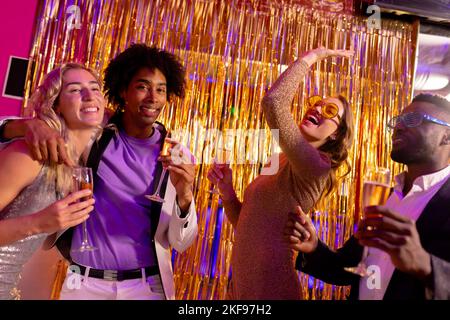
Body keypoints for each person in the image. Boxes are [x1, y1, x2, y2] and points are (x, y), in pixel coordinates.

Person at [0, 44, 198, 300]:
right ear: (122, 91)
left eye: (161, 89)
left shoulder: (177, 156)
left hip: (146, 288)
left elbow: (182, 242)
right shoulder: (94, 133)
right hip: (83, 285)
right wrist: (26, 125)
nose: (153, 97)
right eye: (142, 86)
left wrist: (185, 196)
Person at [207, 47, 354, 299]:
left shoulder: (317, 165)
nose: (317, 109)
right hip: (242, 289)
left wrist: (314, 56)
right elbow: (248, 223)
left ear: (336, 134)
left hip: (274, 290)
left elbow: (273, 102)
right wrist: (227, 191)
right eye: (315, 103)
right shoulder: (278, 158)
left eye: (329, 111)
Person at [286, 93, 450, 300]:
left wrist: (425, 265)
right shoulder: (388, 196)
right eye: (398, 121)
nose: (399, 127)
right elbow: (349, 267)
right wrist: (314, 247)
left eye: (414, 119)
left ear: (447, 136)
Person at [0, 63, 104, 299]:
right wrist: (38, 222)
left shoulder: (76, 168)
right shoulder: (28, 155)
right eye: (76, 90)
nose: (89, 96)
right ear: (55, 104)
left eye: (95, 88)